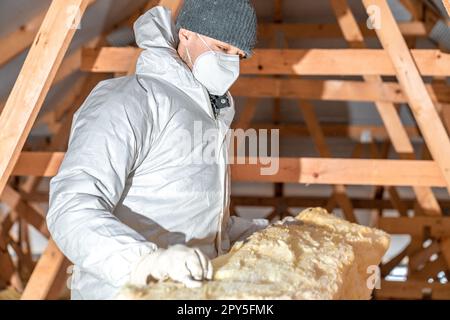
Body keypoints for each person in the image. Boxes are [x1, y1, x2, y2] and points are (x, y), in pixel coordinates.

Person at [47, 0, 269, 300]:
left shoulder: (210, 118)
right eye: (223, 49)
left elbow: (198, 219)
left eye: (239, 55)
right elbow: (72, 207)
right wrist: (144, 262)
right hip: (123, 292)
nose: (232, 63)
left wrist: (258, 231)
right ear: (187, 34)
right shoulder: (130, 100)